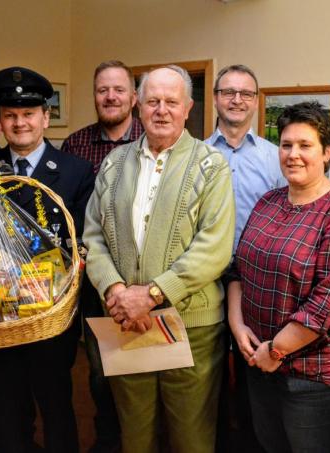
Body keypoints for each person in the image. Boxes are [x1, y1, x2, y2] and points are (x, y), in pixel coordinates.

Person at [83, 65, 235, 453]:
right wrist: (117, 291)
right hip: (127, 323)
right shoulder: (114, 163)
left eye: (171, 102)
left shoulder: (211, 164)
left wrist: (150, 295)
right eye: (153, 101)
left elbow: (213, 248)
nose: (162, 110)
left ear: (188, 108)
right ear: (138, 107)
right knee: (135, 434)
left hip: (191, 327)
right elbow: (93, 237)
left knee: (191, 437)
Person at [0, 66, 95, 453]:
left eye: (29, 114)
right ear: (0, 122)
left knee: (56, 404)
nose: (20, 123)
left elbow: (79, 238)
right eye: (11, 115)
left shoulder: (75, 171)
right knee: (3, 408)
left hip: (50, 313)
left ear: (45, 117)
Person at [229, 102, 330, 453]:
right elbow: (237, 270)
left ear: (327, 152)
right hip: (260, 365)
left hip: (316, 377)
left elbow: (329, 305)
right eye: (286, 145)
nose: (293, 154)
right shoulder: (268, 202)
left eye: (305, 145)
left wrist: (275, 350)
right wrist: (237, 328)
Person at [60, 59, 144, 453]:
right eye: (102, 90)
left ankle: (144, 439)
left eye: (118, 89)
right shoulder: (74, 146)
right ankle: (109, 438)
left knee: (147, 365)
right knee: (100, 370)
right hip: (96, 282)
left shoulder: (155, 135)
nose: (110, 97)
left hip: (149, 282)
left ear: (133, 96)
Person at [204, 63, 285, 452]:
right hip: (203, 280)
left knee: (255, 369)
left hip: (257, 283)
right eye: (228, 92)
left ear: (256, 102)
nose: (237, 99)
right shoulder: (196, 155)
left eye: (246, 93)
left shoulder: (275, 158)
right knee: (209, 372)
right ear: (216, 98)